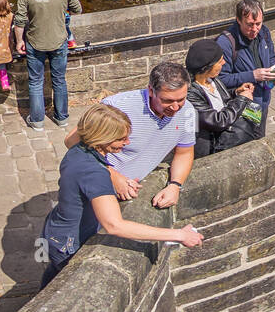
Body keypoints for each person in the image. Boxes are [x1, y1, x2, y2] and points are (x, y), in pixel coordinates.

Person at [43, 102, 205, 286]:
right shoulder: (94, 172)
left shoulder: (79, 150)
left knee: (51, 276)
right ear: (102, 138)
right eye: (121, 138)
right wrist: (178, 235)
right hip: (69, 243)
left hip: (55, 228)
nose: (127, 143)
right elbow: (114, 225)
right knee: (60, 284)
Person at [91, 61, 200, 218]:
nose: (175, 107)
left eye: (181, 99)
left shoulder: (189, 111)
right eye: (167, 100)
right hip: (95, 187)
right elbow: (79, 147)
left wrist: (175, 185)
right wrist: (113, 176)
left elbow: (184, 153)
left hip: (128, 193)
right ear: (150, 90)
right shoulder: (116, 107)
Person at [13, 0, 82, 130]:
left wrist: (19, 41)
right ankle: (61, 118)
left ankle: (37, 121)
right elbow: (77, 9)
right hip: (59, 41)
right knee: (59, 80)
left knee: (35, 81)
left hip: (35, 41)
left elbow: (20, 20)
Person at [215, 0, 275, 128]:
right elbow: (220, 80)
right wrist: (253, 76)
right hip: (242, 106)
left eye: (258, 23)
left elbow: (271, 57)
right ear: (238, 20)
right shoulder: (225, 43)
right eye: (249, 24)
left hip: (263, 100)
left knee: (260, 139)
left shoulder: (264, 32)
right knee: (246, 143)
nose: (255, 29)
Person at [185, 38, 262, 157]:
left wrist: (236, 92)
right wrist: (242, 99)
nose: (224, 63)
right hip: (212, 149)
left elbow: (220, 100)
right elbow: (218, 120)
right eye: (220, 61)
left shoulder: (211, 79)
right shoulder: (190, 93)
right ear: (207, 67)